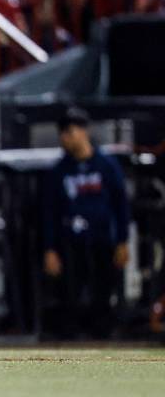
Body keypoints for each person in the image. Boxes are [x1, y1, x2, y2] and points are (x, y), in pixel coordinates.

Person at [43, 107, 130, 338]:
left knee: (103, 293)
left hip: (102, 238)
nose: (65, 138)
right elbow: (50, 212)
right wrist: (50, 249)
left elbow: (121, 205)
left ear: (84, 131)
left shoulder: (106, 165)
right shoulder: (60, 170)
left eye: (70, 132)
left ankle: (103, 340)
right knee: (71, 295)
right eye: (62, 133)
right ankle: (72, 344)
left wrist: (122, 240)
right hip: (71, 241)